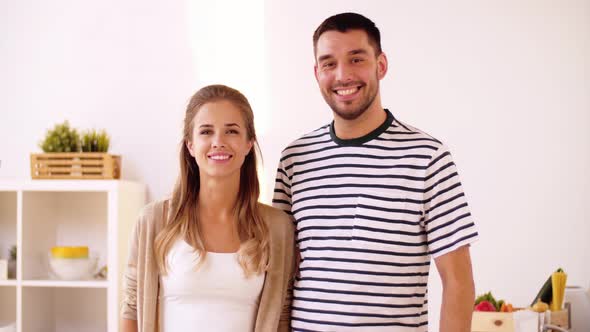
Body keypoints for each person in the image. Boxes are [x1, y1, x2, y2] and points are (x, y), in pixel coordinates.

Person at [273, 13, 478, 332]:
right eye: (329, 63)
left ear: (381, 65)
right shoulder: (294, 159)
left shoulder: (427, 158)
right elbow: (281, 276)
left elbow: (458, 284)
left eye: (356, 59)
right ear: (317, 73)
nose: (342, 75)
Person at [121, 84, 295, 332]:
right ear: (190, 145)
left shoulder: (277, 227)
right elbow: (132, 307)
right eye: (206, 131)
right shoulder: (154, 220)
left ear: (248, 144)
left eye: (232, 131)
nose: (218, 142)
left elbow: (281, 315)